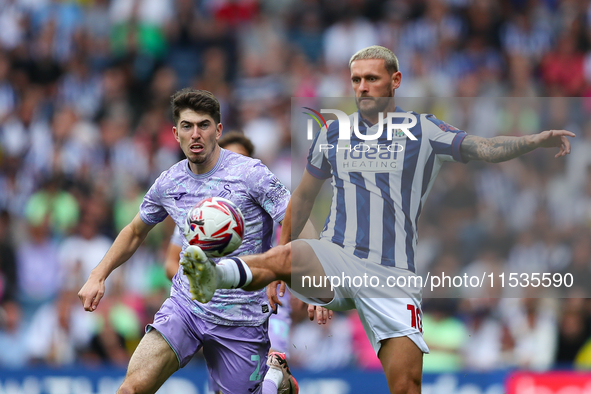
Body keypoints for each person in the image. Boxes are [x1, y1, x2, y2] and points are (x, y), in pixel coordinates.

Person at [181, 46, 575, 394]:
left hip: (391, 275)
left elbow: (484, 147)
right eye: (356, 80)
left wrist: (533, 140)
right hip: (335, 256)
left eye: (372, 78)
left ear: (395, 80)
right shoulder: (333, 133)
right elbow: (300, 200)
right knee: (288, 255)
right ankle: (216, 275)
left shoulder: (424, 129)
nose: (362, 87)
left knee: (406, 387)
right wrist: (281, 267)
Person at [78, 89, 299, 394]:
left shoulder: (251, 174)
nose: (196, 134)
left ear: (218, 130)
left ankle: (277, 381)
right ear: (175, 133)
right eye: (187, 126)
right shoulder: (170, 182)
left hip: (241, 320)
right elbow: (134, 231)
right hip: (186, 308)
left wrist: (281, 267)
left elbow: (294, 217)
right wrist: (98, 274)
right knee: (131, 389)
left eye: (204, 125)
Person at [162, 131, 297, 393]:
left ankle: (276, 370)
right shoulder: (199, 215)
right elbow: (171, 263)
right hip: (209, 309)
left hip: (263, 303)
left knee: (269, 360)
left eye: (242, 160)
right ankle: (276, 379)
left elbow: (290, 249)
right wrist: (197, 283)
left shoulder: (264, 203)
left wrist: (306, 289)